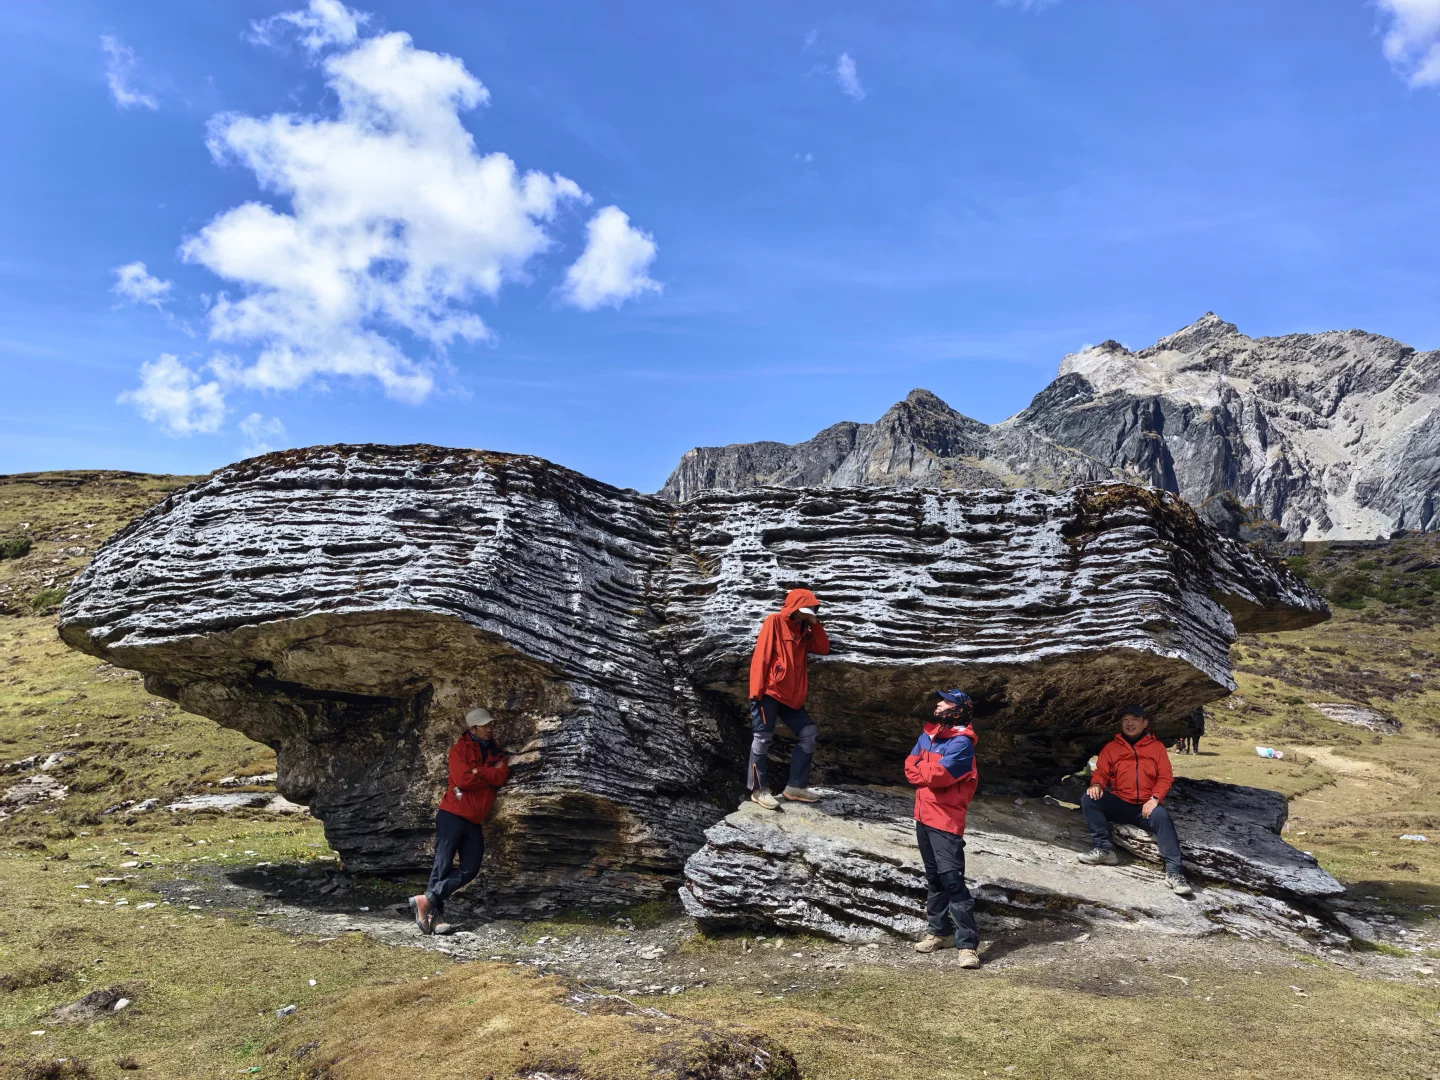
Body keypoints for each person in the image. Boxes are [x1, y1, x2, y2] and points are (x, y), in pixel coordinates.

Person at [409, 707, 510, 934]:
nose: (489, 729)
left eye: (490, 724)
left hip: (473, 819)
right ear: (472, 728)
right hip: (451, 815)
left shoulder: (495, 752)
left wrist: (478, 772)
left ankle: (425, 901)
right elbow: (463, 780)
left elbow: (501, 776)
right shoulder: (459, 750)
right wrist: (486, 775)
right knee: (442, 866)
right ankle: (435, 918)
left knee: (471, 867)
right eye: (484, 725)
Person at [1077, 705, 1193, 896]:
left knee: (1163, 818)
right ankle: (1104, 851)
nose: (1130, 723)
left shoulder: (1156, 748)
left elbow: (1165, 777)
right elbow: (1101, 772)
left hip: (1145, 807)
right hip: (1121, 803)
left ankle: (1174, 873)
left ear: (1145, 723)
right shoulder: (1111, 748)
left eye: (1135, 719)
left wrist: (1155, 798)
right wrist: (1096, 784)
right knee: (1089, 799)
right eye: (1125, 720)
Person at [904, 689, 982, 969]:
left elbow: (941, 776)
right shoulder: (929, 734)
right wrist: (925, 773)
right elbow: (908, 766)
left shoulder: (962, 743)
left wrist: (922, 772)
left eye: (946, 701)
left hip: (946, 821)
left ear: (959, 708)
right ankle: (940, 933)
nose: (938, 704)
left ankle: (968, 946)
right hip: (922, 816)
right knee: (934, 878)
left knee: (952, 881)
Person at [745, 587, 830, 809]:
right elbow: (761, 656)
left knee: (809, 734)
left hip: (792, 698)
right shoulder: (774, 621)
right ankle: (758, 790)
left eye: (809, 610)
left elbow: (823, 647)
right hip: (769, 693)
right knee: (762, 739)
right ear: (792, 608)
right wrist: (756, 693)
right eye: (803, 610)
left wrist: (814, 622)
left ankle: (795, 787)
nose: (805, 613)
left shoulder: (804, 631)